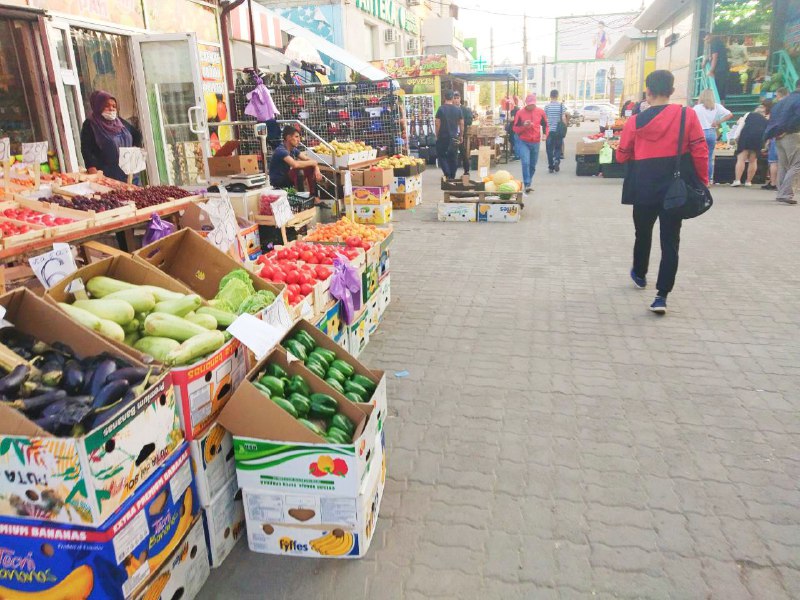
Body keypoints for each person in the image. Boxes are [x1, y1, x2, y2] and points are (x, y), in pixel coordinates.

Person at [616, 70, 709, 315]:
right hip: (675, 189)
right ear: (672, 90)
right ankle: (661, 296)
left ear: (648, 92)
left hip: (644, 186)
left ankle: (639, 273)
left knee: (642, 233)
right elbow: (700, 150)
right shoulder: (686, 115)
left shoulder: (635, 121)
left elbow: (621, 154)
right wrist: (702, 181)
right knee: (670, 241)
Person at [80, 91, 142, 182]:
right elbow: (86, 149)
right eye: (107, 105)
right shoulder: (90, 124)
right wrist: (91, 168)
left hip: (130, 174)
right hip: (108, 176)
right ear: (98, 106)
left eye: (114, 106)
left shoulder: (119, 122)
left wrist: (133, 153)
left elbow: (137, 136)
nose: (111, 109)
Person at [763, 81, 800, 204]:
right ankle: (785, 193)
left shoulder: (782, 101)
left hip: (777, 137)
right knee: (796, 164)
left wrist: (776, 133)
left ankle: (780, 192)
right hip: (792, 134)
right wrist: (788, 129)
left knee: (783, 165)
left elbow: (773, 117)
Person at [692, 89, 733, 184]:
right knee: (709, 157)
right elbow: (730, 115)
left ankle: (699, 179)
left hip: (700, 133)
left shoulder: (697, 108)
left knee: (698, 157)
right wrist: (718, 122)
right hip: (711, 132)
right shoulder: (716, 106)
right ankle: (709, 180)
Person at [268, 126, 322, 194]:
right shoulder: (280, 150)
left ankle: (314, 196)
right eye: (296, 137)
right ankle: (301, 196)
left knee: (310, 167)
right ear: (288, 137)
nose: (299, 140)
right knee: (299, 170)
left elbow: (307, 159)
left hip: (287, 178)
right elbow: (295, 164)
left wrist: (316, 167)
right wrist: (314, 163)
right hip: (279, 182)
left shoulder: (293, 149)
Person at [512, 93, 548, 194]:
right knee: (525, 162)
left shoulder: (540, 112)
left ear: (535, 103)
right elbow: (515, 128)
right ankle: (527, 183)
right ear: (526, 104)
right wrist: (524, 126)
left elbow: (545, 124)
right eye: (529, 105)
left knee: (532, 165)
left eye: (532, 104)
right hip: (523, 141)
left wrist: (545, 134)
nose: (531, 106)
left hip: (536, 141)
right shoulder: (520, 113)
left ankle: (529, 181)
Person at [731, 100, 770, 187]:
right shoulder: (766, 120)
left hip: (746, 137)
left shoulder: (749, 114)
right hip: (758, 139)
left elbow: (741, 125)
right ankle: (748, 181)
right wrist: (766, 143)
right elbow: (767, 132)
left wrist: (735, 137)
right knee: (753, 160)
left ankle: (737, 180)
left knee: (741, 159)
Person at [435, 90, 464, 179]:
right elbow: (462, 123)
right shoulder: (458, 109)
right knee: (453, 156)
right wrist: (461, 135)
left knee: (442, 155)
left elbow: (437, 123)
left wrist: (437, 134)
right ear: (452, 98)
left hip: (443, 136)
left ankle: (447, 173)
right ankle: (452, 175)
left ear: (444, 98)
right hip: (454, 136)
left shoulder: (441, 109)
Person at [763, 87, 788, 190]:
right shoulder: (790, 105)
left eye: (777, 96)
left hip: (776, 135)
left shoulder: (777, 107)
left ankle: (773, 182)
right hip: (788, 135)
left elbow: (772, 123)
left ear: (780, 95)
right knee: (784, 162)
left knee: (773, 161)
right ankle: (782, 184)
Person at [544, 89, 568, 173]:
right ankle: (557, 160)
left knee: (549, 149)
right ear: (557, 96)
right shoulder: (562, 106)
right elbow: (564, 118)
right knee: (558, 147)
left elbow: (545, 119)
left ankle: (551, 166)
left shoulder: (547, 106)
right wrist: (565, 127)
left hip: (549, 131)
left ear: (550, 96)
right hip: (558, 130)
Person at [704, 31, 731, 102]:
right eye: (705, 40)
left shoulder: (714, 43)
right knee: (721, 91)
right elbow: (712, 57)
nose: (706, 41)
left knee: (718, 90)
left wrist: (711, 71)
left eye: (706, 39)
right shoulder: (718, 42)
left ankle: (719, 107)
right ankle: (722, 107)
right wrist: (706, 59)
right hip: (724, 69)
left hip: (720, 70)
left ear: (710, 36)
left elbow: (715, 58)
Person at [453, 91, 473, 176]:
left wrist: (461, 122)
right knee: (452, 153)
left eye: (458, 98)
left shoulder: (465, 109)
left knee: (463, 152)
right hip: (452, 134)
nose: (456, 100)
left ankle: (466, 170)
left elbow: (469, 121)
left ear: (460, 99)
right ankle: (451, 172)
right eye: (455, 98)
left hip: (462, 134)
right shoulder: (451, 109)